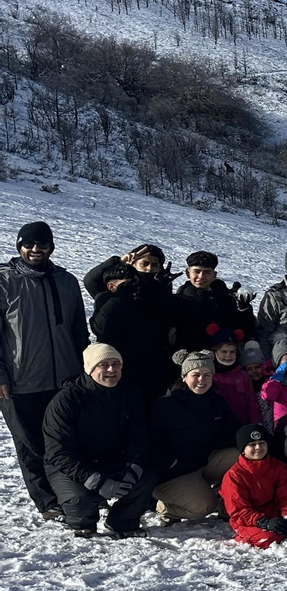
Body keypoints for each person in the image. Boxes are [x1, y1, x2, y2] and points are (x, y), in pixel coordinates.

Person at [0, 221, 90, 517]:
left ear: (51, 247)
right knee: (30, 444)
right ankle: (47, 501)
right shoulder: (5, 281)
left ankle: (74, 493)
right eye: (30, 244)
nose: (36, 249)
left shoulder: (66, 281)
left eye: (43, 245)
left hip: (64, 378)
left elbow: (79, 331)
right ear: (19, 245)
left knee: (66, 439)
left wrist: (83, 370)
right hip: (19, 381)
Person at [42, 343, 156, 538]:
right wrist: (93, 479)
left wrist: (133, 468)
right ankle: (84, 522)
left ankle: (123, 521)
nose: (111, 370)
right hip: (71, 466)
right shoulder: (66, 400)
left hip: (111, 459)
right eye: (104, 365)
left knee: (144, 478)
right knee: (81, 500)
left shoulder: (130, 394)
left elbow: (138, 436)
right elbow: (58, 451)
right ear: (90, 369)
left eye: (116, 364)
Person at [149, 349, 240, 524]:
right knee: (205, 506)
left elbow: (234, 431)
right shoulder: (165, 405)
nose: (202, 380)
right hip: (173, 474)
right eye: (196, 375)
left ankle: (228, 505)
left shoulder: (216, 402)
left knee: (243, 455)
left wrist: (255, 440)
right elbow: (149, 441)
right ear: (184, 376)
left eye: (207, 375)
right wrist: (168, 461)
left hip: (203, 465)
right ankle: (166, 508)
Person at [89, 259, 171, 400]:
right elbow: (100, 328)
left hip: (145, 366)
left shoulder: (141, 301)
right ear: (111, 286)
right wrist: (119, 297)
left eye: (134, 283)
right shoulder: (105, 300)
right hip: (117, 367)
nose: (133, 287)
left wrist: (163, 287)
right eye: (127, 284)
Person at [220, 424, 287, 547]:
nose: (258, 447)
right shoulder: (234, 476)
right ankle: (247, 536)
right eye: (252, 444)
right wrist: (264, 522)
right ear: (243, 449)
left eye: (262, 442)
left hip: (273, 512)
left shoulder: (278, 466)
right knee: (269, 539)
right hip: (250, 520)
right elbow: (239, 510)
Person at [170, 250, 256, 352]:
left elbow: (242, 327)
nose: (201, 276)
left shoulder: (226, 298)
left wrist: (244, 310)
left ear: (214, 275)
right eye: (197, 271)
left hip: (224, 356)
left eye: (207, 272)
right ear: (188, 273)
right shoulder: (180, 299)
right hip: (192, 358)